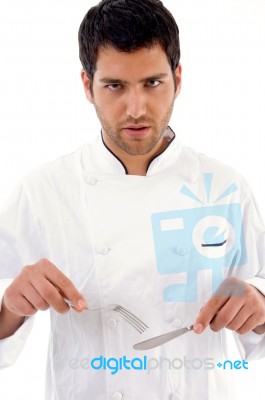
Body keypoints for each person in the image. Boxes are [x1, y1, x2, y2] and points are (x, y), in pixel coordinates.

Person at [0, 0, 265, 398]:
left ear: (178, 78)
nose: (136, 109)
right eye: (115, 86)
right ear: (87, 86)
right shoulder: (44, 190)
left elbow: (259, 312)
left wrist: (260, 302)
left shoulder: (224, 186)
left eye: (152, 83)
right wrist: (11, 303)